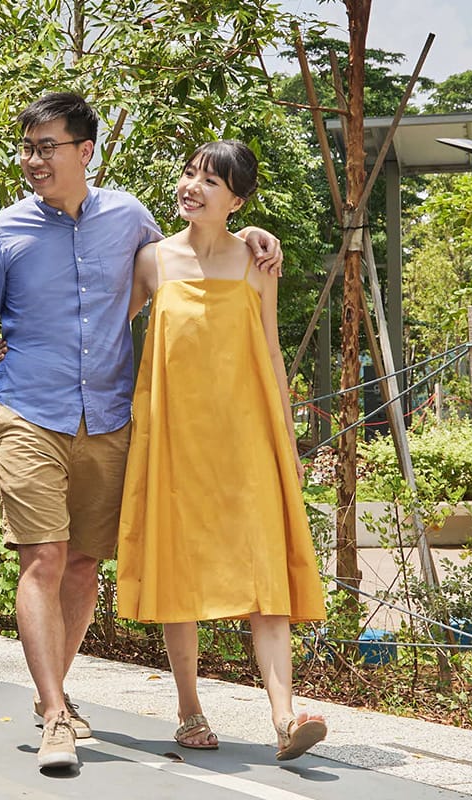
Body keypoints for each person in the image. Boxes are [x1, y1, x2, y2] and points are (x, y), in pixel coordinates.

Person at [0, 92, 282, 771]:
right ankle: (54, 715)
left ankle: (55, 691)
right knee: (43, 558)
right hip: (28, 411)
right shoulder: (3, 232)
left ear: (85, 152)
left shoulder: (129, 218)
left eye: (47, 147)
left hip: (107, 417)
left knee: (81, 565)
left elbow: (192, 251)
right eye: (27, 147)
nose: (33, 160)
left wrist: (251, 233)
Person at [116, 139, 327, 761]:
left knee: (264, 569)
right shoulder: (153, 260)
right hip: (174, 442)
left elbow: (270, 350)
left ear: (236, 201)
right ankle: (189, 712)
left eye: (211, 181)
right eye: (189, 173)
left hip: (246, 442)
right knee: (179, 571)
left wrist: (287, 440)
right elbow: (107, 331)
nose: (193, 186)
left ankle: (284, 717)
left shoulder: (257, 262)